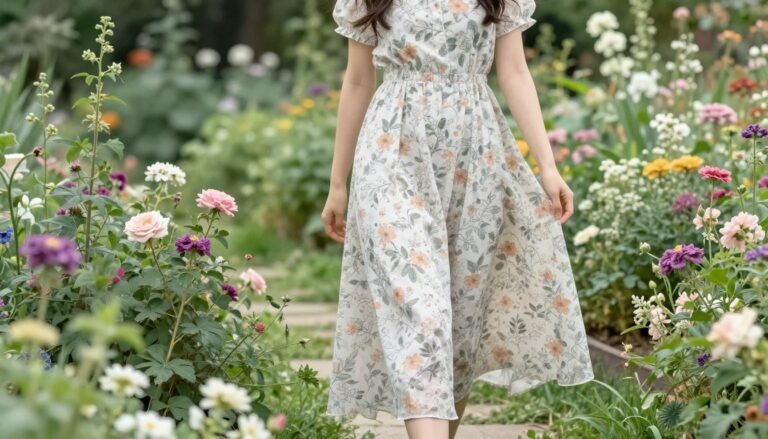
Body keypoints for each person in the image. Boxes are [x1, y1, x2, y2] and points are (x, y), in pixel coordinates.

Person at [321, 1, 594, 438]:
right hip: (394, 152)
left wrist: (547, 165)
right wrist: (338, 181)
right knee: (420, 309)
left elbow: (515, 72)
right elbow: (357, 80)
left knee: (461, 317)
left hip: (476, 154)